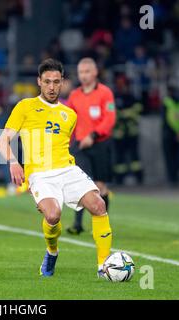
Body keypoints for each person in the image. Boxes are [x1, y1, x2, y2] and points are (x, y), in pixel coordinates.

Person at [0, 59, 113, 278]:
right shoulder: (25, 106)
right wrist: (14, 162)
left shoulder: (69, 115)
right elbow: (3, 140)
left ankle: (103, 266)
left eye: (56, 82)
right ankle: (51, 251)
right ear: (39, 81)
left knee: (99, 205)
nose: (51, 87)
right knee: (53, 215)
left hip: (67, 169)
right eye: (47, 81)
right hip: (40, 174)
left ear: (63, 83)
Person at [66, 58, 116, 235]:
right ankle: (77, 224)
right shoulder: (74, 96)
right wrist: (67, 142)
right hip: (80, 146)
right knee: (82, 184)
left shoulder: (105, 93)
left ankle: (103, 225)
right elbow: (68, 121)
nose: (84, 76)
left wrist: (94, 135)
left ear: (95, 72)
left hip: (101, 144)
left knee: (100, 186)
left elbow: (110, 119)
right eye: (81, 72)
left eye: (87, 71)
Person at [113, 76, 143, 185]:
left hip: (131, 132)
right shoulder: (114, 97)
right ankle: (119, 179)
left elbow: (138, 110)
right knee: (119, 158)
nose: (122, 87)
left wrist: (125, 114)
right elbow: (112, 112)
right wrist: (124, 114)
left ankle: (139, 177)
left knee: (135, 157)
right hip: (119, 133)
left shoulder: (132, 97)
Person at [162, 86, 179, 187]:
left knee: (169, 158)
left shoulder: (167, 102)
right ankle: (175, 179)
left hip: (168, 133)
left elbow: (168, 120)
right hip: (178, 133)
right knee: (176, 157)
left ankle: (172, 179)